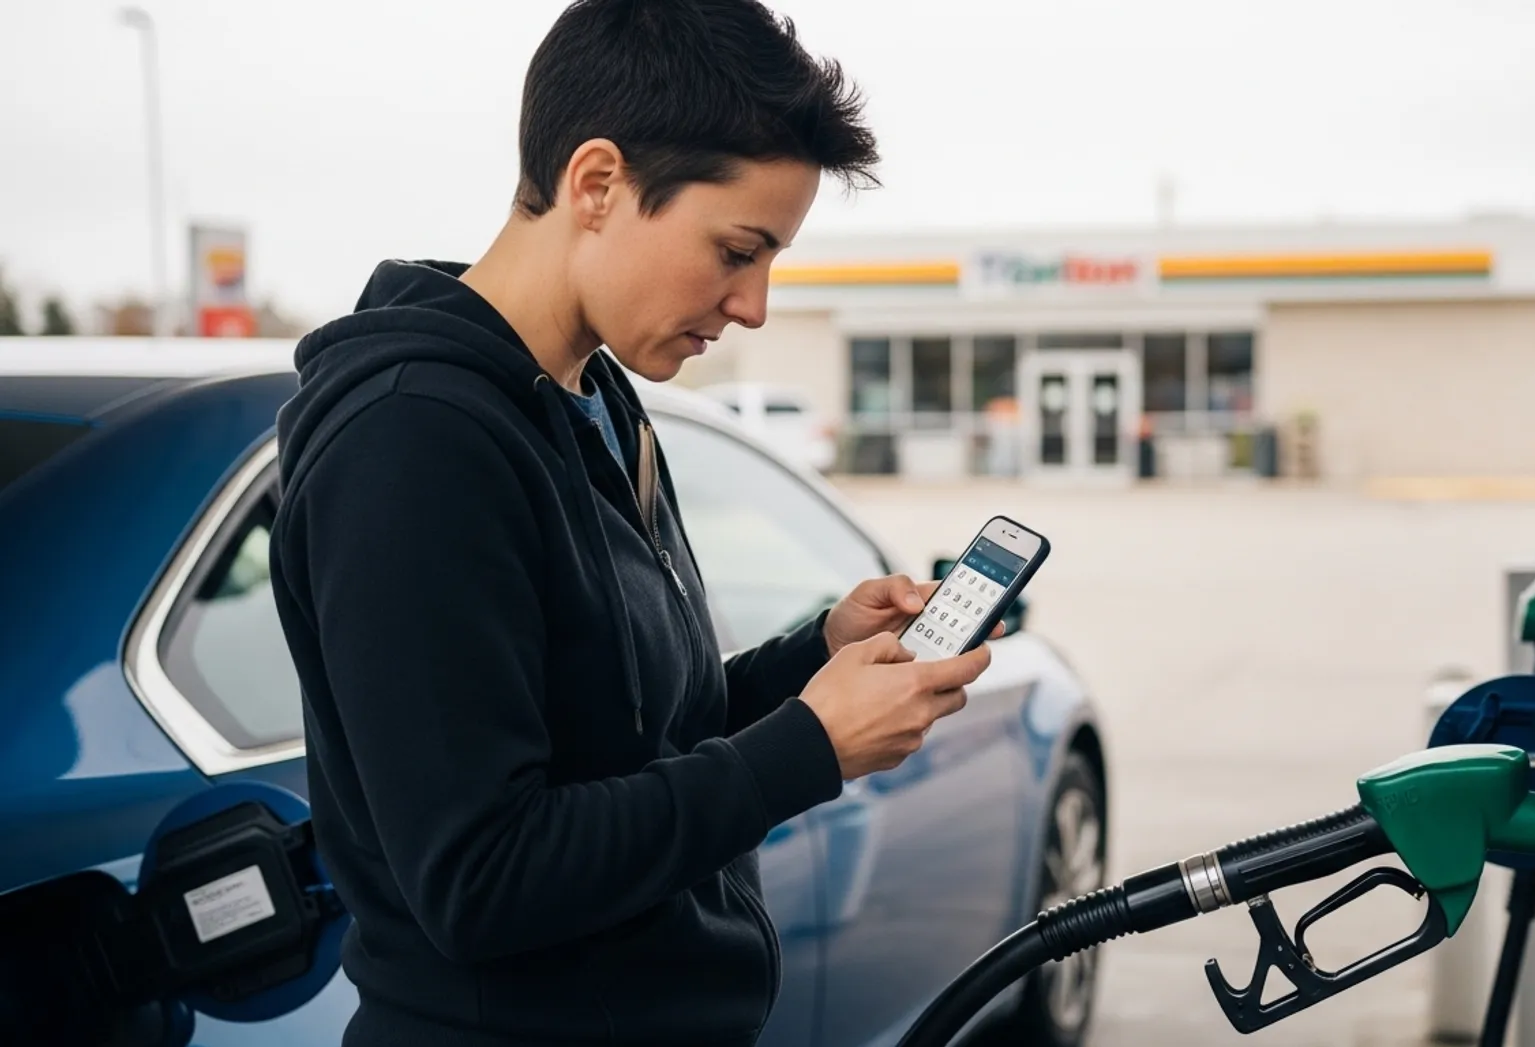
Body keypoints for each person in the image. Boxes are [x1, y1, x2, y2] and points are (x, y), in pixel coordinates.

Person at [267, 2, 994, 1044]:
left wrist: (815, 661)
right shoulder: (411, 443)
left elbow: (641, 741)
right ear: (597, 183)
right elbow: (483, 880)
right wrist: (808, 749)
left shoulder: (594, 397)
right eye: (738, 251)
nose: (754, 306)